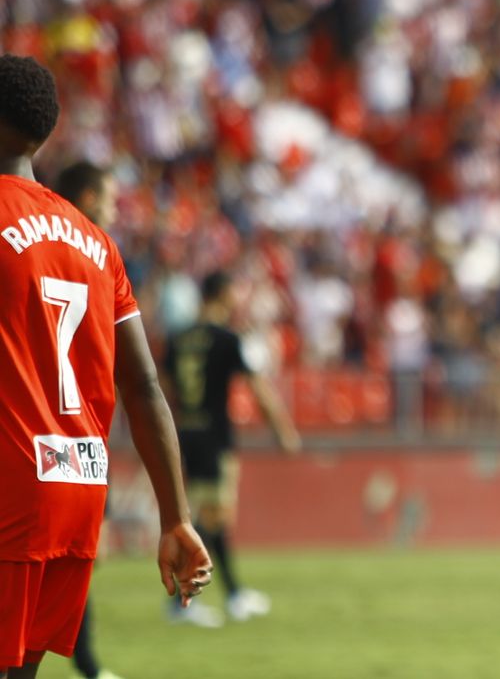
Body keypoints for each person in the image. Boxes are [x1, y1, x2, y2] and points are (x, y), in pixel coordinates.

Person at [0, 55, 211, 679]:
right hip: (75, 488)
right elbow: (144, 384)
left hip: (10, 483)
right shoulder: (96, 241)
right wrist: (175, 518)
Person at [161, 270, 301, 627]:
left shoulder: (179, 339)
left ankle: (235, 594)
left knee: (210, 518)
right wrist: (283, 430)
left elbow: (160, 389)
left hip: (186, 435)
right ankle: (180, 601)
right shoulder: (226, 339)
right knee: (212, 519)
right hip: (215, 437)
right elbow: (257, 387)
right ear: (222, 295)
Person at [50, 162, 127, 679]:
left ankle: (91, 665)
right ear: (88, 195)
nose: (115, 208)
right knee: (71, 567)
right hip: (76, 442)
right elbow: (137, 379)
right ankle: (92, 667)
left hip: (34, 437)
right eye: (111, 197)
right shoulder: (99, 255)